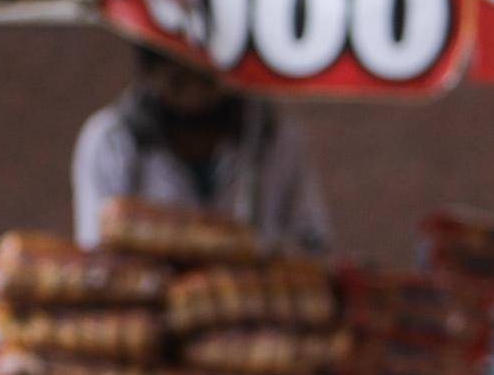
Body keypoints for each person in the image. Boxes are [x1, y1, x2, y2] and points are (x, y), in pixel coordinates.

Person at [72, 45, 332, 255]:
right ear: (151, 75)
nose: (194, 99)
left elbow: (311, 240)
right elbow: (95, 248)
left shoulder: (273, 135)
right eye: (178, 82)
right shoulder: (111, 141)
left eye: (206, 80)